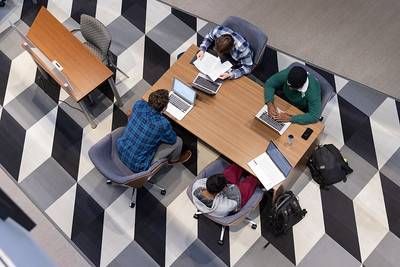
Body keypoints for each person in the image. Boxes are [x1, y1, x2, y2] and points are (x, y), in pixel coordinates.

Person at [116, 89, 191, 173]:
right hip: (138, 165)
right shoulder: (163, 124)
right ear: (164, 108)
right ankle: (174, 160)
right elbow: (172, 139)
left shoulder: (139, 104)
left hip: (120, 149)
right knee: (178, 141)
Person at [192, 164, 259, 217]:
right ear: (223, 189)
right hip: (232, 202)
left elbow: (209, 181)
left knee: (234, 168)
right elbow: (236, 202)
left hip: (219, 197)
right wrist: (233, 188)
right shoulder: (225, 207)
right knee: (251, 181)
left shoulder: (197, 185)